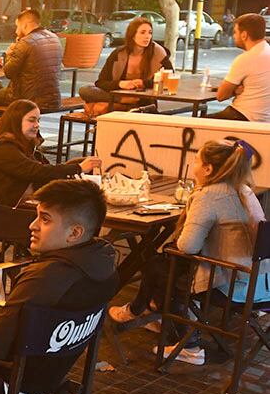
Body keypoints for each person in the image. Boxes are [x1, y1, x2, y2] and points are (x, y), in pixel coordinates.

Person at [0, 179, 119, 394]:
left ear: (74, 233)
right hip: (47, 377)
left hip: (5, 380)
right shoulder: (105, 267)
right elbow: (50, 318)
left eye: (45, 219)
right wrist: (10, 318)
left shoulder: (45, 277)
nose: (33, 225)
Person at [108, 140, 268, 365]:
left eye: (196, 160)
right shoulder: (244, 190)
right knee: (161, 264)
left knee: (163, 268)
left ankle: (189, 345)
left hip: (232, 284)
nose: (194, 165)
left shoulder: (210, 195)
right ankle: (147, 313)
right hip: (260, 282)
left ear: (208, 169)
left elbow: (188, 246)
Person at [0, 100, 100, 207]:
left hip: (21, 202)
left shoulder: (24, 143)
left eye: (38, 120)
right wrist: (77, 168)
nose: (37, 125)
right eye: (31, 120)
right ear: (15, 121)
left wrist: (73, 171)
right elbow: (35, 171)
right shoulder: (2, 147)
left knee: (81, 198)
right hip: (3, 211)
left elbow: (44, 170)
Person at [78, 17, 171, 117]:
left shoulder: (158, 53)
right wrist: (121, 84)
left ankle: (127, 103)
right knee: (85, 90)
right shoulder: (118, 54)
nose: (147, 36)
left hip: (143, 100)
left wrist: (144, 83)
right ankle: (124, 101)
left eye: (150, 32)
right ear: (132, 35)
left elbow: (169, 79)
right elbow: (101, 83)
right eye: (142, 32)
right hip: (118, 96)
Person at [0, 8, 62, 111]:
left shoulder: (25, 42)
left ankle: (1, 126)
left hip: (27, 99)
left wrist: (9, 54)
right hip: (53, 99)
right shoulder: (54, 38)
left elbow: (8, 72)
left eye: (17, 26)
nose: (16, 31)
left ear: (25, 25)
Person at [210, 13, 269, 122]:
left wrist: (234, 91)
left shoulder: (246, 59)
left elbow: (221, 95)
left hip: (244, 116)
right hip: (265, 119)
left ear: (244, 35)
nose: (234, 36)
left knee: (194, 125)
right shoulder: (267, 51)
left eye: (235, 32)